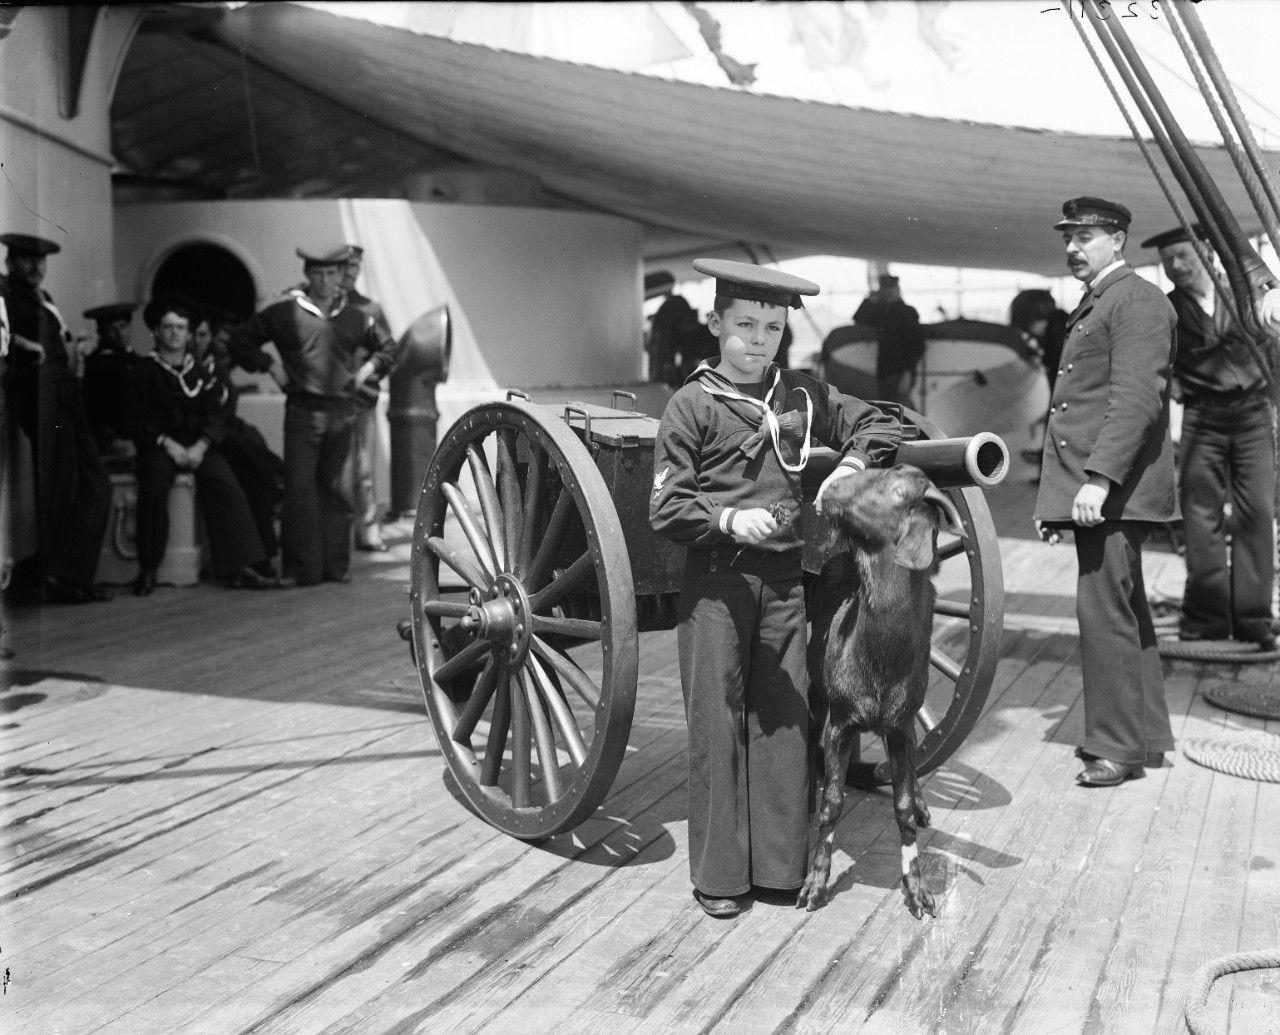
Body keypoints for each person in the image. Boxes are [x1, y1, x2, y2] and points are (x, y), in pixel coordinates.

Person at [649, 258, 902, 918]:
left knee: (785, 721)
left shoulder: (801, 397)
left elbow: (880, 422)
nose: (759, 340)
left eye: (771, 327)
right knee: (719, 722)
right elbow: (667, 507)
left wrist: (850, 464)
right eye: (744, 325)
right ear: (714, 325)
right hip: (717, 586)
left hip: (785, 585)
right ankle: (720, 877)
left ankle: (781, 867)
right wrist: (727, 517)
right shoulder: (692, 405)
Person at [1034, 197, 1178, 788]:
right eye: (1069, 237)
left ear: (1117, 240)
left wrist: (1098, 480)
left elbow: (1137, 400)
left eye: (1087, 237)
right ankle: (1143, 736)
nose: (1073, 247)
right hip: (1101, 488)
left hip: (1114, 490)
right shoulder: (1104, 299)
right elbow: (1079, 403)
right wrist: (1058, 500)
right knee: (1124, 610)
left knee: (1104, 614)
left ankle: (1117, 749)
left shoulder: (1137, 300)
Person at [227, 244, 398, 586]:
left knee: (339, 492)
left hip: (343, 413)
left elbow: (388, 347)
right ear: (307, 274)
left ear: (340, 275)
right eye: (317, 273)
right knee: (299, 491)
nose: (324, 280)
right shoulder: (284, 312)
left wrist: (367, 370)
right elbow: (240, 341)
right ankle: (301, 571)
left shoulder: (356, 315)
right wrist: (270, 365)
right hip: (302, 413)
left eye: (331, 273)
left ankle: (336, 568)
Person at [1142, 224, 1276, 651]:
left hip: (1255, 417)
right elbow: (1160, 370)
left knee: (1256, 515)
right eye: (1168, 262)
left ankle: (1255, 619)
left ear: (1207, 254)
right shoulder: (1166, 310)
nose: (1176, 267)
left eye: (1183, 256)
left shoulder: (1246, 297)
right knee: (1201, 519)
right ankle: (1206, 620)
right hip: (1203, 420)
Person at [130, 298, 274, 595]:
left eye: (181, 328)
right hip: (160, 446)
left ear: (188, 333)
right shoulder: (143, 370)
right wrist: (166, 444)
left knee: (227, 484)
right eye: (168, 327)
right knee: (154, 484)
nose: (174, 334)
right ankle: (148, 567)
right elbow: (133, 418)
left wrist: (201, 446)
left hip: (198, 446)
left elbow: (216, 414)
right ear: (157, 331)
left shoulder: (202, 372)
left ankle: (238, 566)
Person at [0, 232, 114, 604]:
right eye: (27, 260)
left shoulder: (42, 298)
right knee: (63, 486)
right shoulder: (6, 293)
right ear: (9, 262)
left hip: (66, 393)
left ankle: (69, 573)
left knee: (97, 483)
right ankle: (64, 579)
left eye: (41, 261)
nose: (35, 267)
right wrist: (18, 342)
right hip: (41, 395)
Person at [342, 244, 398, 552]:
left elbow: (389, 349)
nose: (350, 272)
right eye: (345, 265)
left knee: (363, 470)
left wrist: (368, 369)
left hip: (359, 399)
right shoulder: (322, 306)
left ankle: (367, 531)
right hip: (327, 399)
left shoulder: (370, 309)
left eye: (355, 266)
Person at [853, 273, 927, 405]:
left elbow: (916, 345)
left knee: (898, 412)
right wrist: (870, 300)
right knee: (888, 411)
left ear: (897, 289)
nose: (887, 291)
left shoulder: (908, 312)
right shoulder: (881, 312)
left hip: (899, 373)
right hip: (885, 373)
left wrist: (907, 373)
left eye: (890, 288)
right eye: (884, 288)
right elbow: (858, 318)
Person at [81, 302, 140, 464]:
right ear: (101, 332)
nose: (120, 334)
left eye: (123, 326)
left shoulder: (138, 362)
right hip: (113, 440)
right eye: (112, 329)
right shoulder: (98, 365)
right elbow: (94, 413)